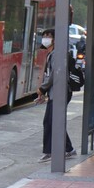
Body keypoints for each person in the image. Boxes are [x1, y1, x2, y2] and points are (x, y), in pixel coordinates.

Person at [36, 28, 77, 163]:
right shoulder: (51, 54)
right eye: (44, 36)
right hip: (56, 93)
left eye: (48, 36)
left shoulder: (55, 54)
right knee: (52, 122)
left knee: (52, 122)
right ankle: (65, 150)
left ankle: (56, 151)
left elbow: (53, 76)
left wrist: (42, 89)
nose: (45, 39)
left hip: (61, 93)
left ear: (54, 39)